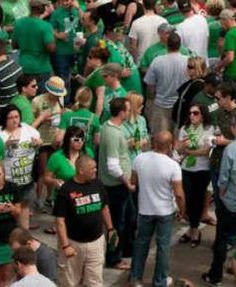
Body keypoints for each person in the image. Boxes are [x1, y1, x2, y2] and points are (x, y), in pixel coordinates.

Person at [204, 110, 236, 287]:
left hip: (232, 202)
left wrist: (221, 193)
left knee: (221, 239)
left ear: (235, 127)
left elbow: (224, 178)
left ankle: (215, 275)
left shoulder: (231, 149)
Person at [130, 130, 185, 287]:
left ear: (154, 143)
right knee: (163, 247)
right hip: (165, 211)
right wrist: (182, 211)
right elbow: (179, 194)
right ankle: (160, 281)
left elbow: (134, 181)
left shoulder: (139, 159)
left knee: (141, 244)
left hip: (145, 209)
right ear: (170, 146)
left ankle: (135, 278)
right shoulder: (173, 166)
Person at [54, 155, 116, 287]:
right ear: (81, 170)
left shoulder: (97, 184)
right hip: (73, 243)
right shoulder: (66, 190)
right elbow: (60, 221)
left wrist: (110, 229)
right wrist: (66, 246)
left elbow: (104, 208)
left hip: (96, 242)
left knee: (95, 281)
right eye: (92, 168)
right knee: (69, 282)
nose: (95, 170)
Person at [98, 96, 134, 270]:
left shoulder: (108, 127)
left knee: (128, 219)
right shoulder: (112, 133)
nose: (129, 112)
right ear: (121, 113)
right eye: (127, 109)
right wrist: (127, 183)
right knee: (116, 225)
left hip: (117, 186)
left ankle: (125, 251)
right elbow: (112, 165)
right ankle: (114, 258)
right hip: (116, 187)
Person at [177, 102, 216, 247]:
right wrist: (184, 146)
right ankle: (192, 228)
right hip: (187, 168)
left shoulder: (209, 129)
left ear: (203, 115)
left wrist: (189, 151)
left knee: (198, 200)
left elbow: (206, 151)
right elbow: (179, 148)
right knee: (188, 199)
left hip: (202, 170)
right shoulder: (185, 129)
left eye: (196, 113)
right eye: (190, 113)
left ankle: (194, 230)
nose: (192, 116)